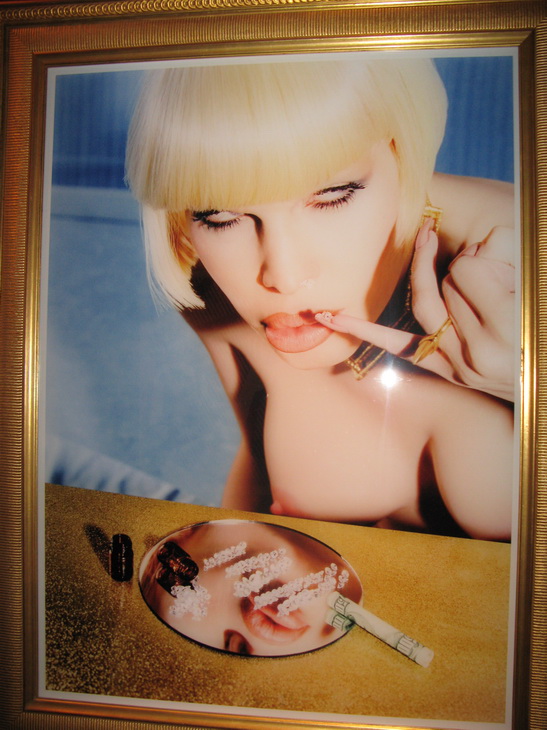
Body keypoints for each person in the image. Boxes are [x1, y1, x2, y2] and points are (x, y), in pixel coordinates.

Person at [126, 57, 515, 539]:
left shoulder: (522, 260)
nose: (283, 277)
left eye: (333, 194)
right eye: (220, 215)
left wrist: (524, 387)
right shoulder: (210, 287)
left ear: (405, 152)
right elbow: (256, 471)